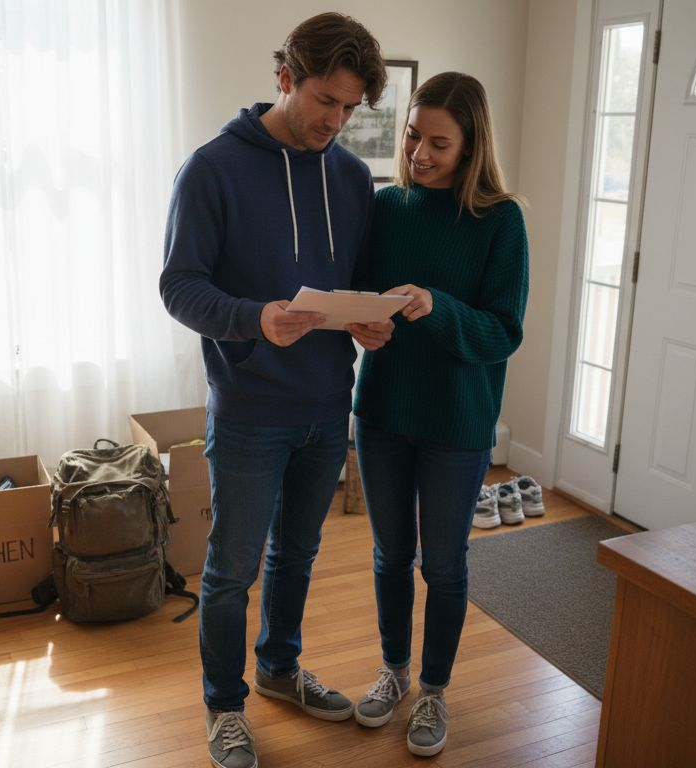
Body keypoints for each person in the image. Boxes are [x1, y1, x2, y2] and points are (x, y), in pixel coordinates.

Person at [159, 13, 392, 768]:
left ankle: (279, 669)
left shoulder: (351, 179)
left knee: (298, 556)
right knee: (232, 572)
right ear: (285, 77)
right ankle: (224, 707)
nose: (336, 121)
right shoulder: (211, 170)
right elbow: (179, 287)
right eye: (325, 100)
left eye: (350, 107)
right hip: (250, 411)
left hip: (327, 407)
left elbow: (354, 282)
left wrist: (370, 321)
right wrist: (254, 318)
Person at [349, 72, 529, 757]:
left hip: (456, 421)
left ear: (471, 145)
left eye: (439, 144)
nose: (419, 153)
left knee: (444, 567)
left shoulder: (500, 220)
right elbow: (361, 292)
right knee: (390, 556)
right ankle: (394, 672)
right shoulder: (386, 205)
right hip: (383, 411)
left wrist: (437, 305)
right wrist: (360, 321)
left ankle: (433, 691)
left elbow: (503, 331)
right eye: (412, 136)